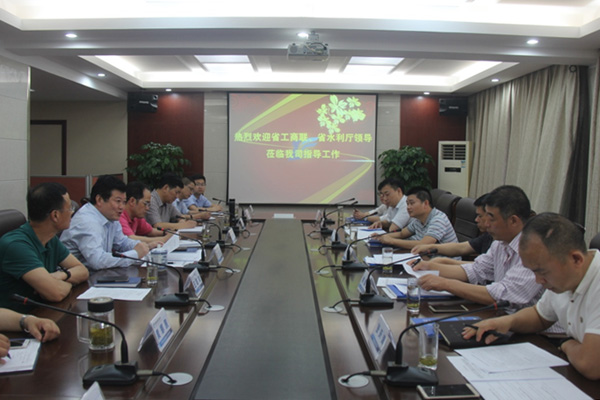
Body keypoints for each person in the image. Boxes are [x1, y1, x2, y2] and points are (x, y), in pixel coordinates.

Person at [463, 213, 600, 380]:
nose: (538, 280)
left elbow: (590, 365)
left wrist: (566, 344)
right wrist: (507, 322)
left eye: (542, 272)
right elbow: (539, 316)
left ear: (576, 259)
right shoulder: (564, 278)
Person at [416, 185, 543, 308]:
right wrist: (428, 267)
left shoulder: (534, 250)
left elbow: (503, 295)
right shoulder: (499, 243)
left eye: (491, 219)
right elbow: (476, 270)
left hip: (528, 322)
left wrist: (446, 284)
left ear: (513, 221)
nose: (486, 224)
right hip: (501, 314)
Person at [0, 183, 89, 312]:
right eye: (69, 208)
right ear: (55, 215)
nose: (72, 212)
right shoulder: (16, 246)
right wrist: (67, 282)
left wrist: (60, 276)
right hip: (19, 320)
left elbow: (83, 271)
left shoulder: (50, 238)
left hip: (43, 311)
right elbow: (56, 293)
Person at [60, 175, 150, 270]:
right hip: (73, 276)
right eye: (118, 201)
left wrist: (140, 246)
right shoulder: (87, 221)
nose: (122, 207)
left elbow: (121, 242)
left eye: (124, 202)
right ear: (99, 200)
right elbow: (98, 261)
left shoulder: (110, 216)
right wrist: (135, 253)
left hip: (96, 274)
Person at [410, 193, 493, 265]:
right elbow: (461, 248)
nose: (476, 220)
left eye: (480, 216)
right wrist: (430, 247)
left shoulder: (497, 242)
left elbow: (482, 268)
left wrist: (443, 262)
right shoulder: (488, 236)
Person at [375, 186, 458, 250]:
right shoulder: (418, 219)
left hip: (444, 262)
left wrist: (392, 241)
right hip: (424, 257)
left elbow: (424, 244)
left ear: (425, 203)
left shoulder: (438, 219)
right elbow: (402, 234)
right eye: (407, 204)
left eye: (412, 203)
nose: (408, 207)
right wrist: (382, 237)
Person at [119, 181, 171, 246]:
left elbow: (150, 231)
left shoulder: (136, 217)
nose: (147, 208)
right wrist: (163, 239)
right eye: (146, 204)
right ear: (132, 201)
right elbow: (130, 239)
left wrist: (167, 232)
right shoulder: (120, 216)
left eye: (149, 205)